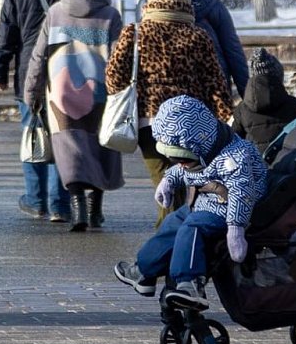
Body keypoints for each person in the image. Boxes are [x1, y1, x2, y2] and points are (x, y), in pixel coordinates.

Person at [105, 0, 233, 227]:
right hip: (190, 125)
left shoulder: (136, 33)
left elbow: (113, 78)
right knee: (180, 181)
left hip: (148, 122)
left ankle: (167, 240)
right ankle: (173, 239)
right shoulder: (198, 36)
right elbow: (216, 85)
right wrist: (225, 119)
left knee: (164, 178)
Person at [113, 95, 267, 310]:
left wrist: (235, 230)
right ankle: (144, 271)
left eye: (183, 159)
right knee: (172, 223)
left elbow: (242, 194)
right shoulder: (203, 151)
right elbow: (190, 170)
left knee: (191, 228)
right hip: (204, 203)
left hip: (228, 208)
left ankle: (190, 282)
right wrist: (168, 181)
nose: (181, 164)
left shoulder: (234, 158)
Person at [23, 0, 123, 231]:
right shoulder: (110, 16)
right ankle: (95, 208)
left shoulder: (55, 12)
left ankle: (77, 206)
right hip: (100, 93)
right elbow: (118, 59)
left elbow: (39, 55)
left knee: (70, 151)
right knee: (100, 148)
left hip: (60, 94)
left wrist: (31, 91)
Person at [0, 0, 78, 223]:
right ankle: (60, 204)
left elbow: (7, 33)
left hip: (30, 70)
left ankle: (36, 199)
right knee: (63, 136)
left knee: (33, 134)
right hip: (71, 69)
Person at [170, 0, 249, 98]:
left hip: (172, 85)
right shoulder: (215, 6)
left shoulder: (163, 7)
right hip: (215, 85)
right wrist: (248, 94)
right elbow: (233, 49)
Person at [232, 48, 296, 154]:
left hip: (254, 167)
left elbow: (233, 143)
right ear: (279, 78)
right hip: (288, 165)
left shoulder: (242, 109)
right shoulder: (294, 105)